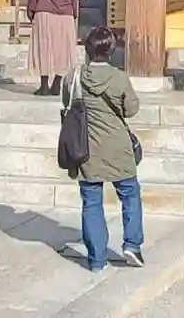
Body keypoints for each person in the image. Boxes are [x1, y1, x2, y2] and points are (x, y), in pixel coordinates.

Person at [65, 26, 143, 272]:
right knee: (130, 194)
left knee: (91, 201)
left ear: (88, 49)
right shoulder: (119, 78)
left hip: (86, 148)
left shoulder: (74, 76)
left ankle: (97, 259)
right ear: (111, 50)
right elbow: (131, 110)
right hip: (119, 147)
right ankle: (132, 245)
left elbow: (67, 104)